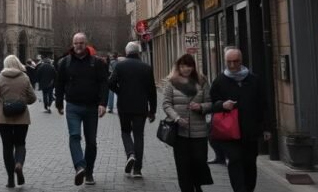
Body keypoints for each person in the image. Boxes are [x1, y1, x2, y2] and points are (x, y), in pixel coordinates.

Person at [210, 48, 269, 192]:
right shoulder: (220, 80)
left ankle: (248, 189)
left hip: (250, 130)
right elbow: (212, 103)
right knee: (235, 160)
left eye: (235, 62)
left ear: (241, 61)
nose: (232, 65)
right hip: (229, 131)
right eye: (229, 62)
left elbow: (264, 104)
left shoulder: (253, 79)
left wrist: (267, 128)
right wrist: (222, 105)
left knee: (249, 162)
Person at [54, 33, 109, 186]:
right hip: (73, 106)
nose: (78, 45)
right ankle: (80, 166)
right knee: (74, 136)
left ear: (86, 44)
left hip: (92, 107)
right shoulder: (65, 62)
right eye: (76, 43)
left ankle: (89, 172)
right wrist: (59, 103)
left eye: (81, 43)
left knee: (91, 142)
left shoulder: (96, 63)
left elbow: (104, 84)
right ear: (73, 44)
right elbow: (59, 84)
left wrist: (103, 103)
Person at [163, 54, 214, 192]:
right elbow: (166, 104)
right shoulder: (171, 82)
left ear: (193, 67)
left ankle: (197, 185)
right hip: (180, 133)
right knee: (183, 166)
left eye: (189, 66)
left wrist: (201, 107)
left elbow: (210, 102)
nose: (186, 69)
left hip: (199, 133)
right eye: (183, 66)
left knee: (199, 162)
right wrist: (177, 118)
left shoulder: (202, 81)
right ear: (178, 66)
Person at [108, 41, 157, 179]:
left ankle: (130, 154)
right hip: (141, 107)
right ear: (138, 52)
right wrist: (152, 110)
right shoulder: (146, 67)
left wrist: (120, 92)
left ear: (126, 52)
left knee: (125, 132)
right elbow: (152, 91)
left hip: (124, 105)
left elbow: (110, 82)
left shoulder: (120, 66)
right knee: (139, 135)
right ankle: (137, 170)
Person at [0, 55, 37, 188]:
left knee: (7, 147)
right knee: (20, 144)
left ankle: (10, 179)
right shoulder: (24, 77)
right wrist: (21, 102)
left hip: (3, 118)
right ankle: (19, 164)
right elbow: (32, 98)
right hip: (21, 117)